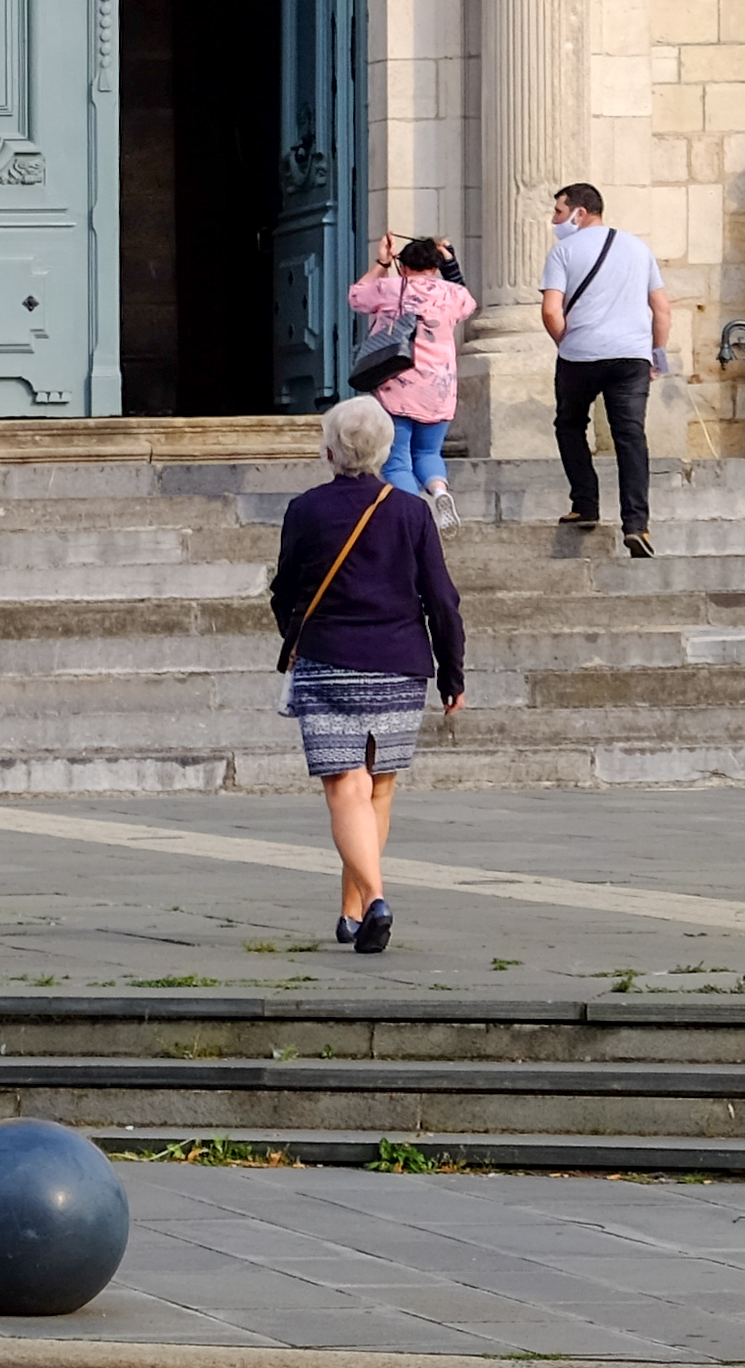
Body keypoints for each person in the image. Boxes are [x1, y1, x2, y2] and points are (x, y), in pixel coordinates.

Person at [270, 396, 466, 956]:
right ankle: (350, 912)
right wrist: (452, 674)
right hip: (400, 665)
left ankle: (374, 900)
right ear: (385, 451)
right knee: (378, 788)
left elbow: (286, 590)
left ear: (329, 450)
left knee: (345, 787)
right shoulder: (411, 511)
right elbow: (442, 601)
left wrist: (295, 630)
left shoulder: (305, 509)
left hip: (330, 661)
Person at [538, 182, 674, 556]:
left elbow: (551, 310)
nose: (555, 220)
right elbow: (661, 310)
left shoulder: (563, 251)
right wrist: (655, 358)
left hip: (580, 355)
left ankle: (586, 503)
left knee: (569, 424)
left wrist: (567, 342)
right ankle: (637, 525)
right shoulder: (638, 247)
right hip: (632, 356)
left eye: (559, 212)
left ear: (579, 213)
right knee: (630, 436)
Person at [347, 237, 479, 500]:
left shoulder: (389, 288)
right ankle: (440, 492)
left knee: (396, 461)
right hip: (439, 390)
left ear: (403, 266)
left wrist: (382, 262)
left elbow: (357, 296)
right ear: (435, 266)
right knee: (429, 453)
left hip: (397, 386)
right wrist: (450, 262)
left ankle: (414, 512)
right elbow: (466, 300)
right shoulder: (453, 294)